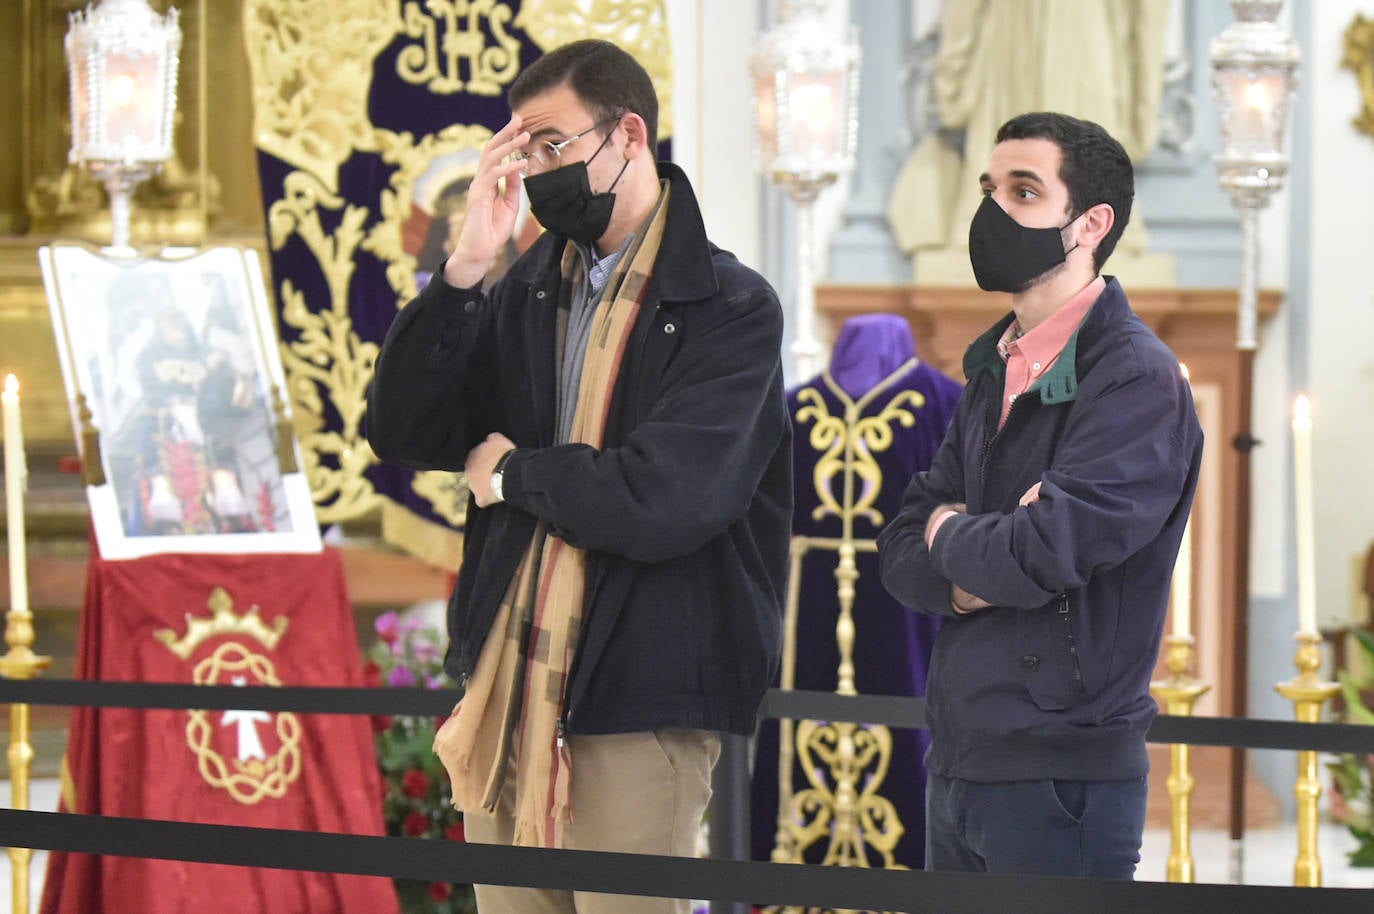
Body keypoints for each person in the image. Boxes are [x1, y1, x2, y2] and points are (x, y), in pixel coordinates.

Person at [365, 39, 792, 914]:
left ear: (628, 134)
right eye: (524, 154)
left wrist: (515, 476)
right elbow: (405, 430)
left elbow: (668, 494)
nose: (536, 173)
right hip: (512, 685)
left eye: (552, 147)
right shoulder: (528, 286)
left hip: (642, 691)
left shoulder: (727, 305)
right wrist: (463, 269)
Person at [877, 111, 1203, 879]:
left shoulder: (1134, 377)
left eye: (1024, 191)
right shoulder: (995, 362)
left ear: (1091, 223)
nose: (994, 211)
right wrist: (971, 561)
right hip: (960, 757)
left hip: (1063, 775)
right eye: (989, 189)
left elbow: (1049, 545)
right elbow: (899, 546)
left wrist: (952, 535)